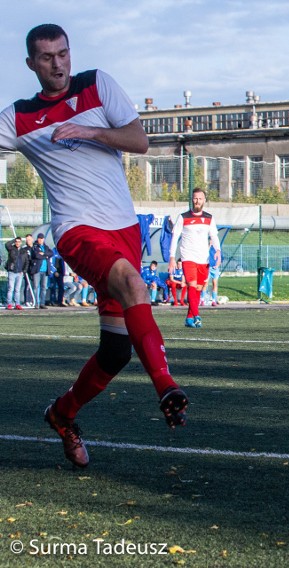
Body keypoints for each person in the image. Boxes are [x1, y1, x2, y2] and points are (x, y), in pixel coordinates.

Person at [0, 24, 187, 468]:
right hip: (76, 230)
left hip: (124, 229)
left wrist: (91, 133)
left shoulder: (97, 84)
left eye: (63, 53)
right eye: (46, 57)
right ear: (31, 64)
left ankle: (62, 414)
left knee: (116, 351)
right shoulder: (19, 117)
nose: (58, 63)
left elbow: (139, 141)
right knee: (131, 283)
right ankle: (167, 387)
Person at [168, 187, 221, 328]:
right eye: (195, 198)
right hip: (188, 257)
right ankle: (197, 316)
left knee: (198, 288)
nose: (197, 201)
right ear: (192, 200)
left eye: (200, 198)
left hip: (203, 258)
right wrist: (172, 257)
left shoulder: (209, 218)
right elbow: (175, 237)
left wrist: (218, 251)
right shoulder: (183, 217)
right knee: (191, 284)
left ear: (204, 200)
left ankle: (189, 317)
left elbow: (214, 236)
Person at [29, 232, 53, 309]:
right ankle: (36, 303)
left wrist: (44, 254)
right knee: (36, 287)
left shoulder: (46, 247)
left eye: (42, 238)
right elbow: (36, 255)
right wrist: (45, 256)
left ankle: (42, 303)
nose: (40, 240)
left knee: (44, 287)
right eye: (39, 238)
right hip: (37, 270)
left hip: (45, 270)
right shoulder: (35, 247)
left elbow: (51, 253)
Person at [5, 236, 30, 309]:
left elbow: (26, 261)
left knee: (17, 289)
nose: (17, 243)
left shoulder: (23, 251)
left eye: (19, 242)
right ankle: (9, 303)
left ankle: (17, 304)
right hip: (12, 271)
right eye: (16, 242)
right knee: (11, 288)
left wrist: (24, 270)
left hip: (19, 272)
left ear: (21, 243)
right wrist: (14, 240)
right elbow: (7, 244)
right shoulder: (11, 249)